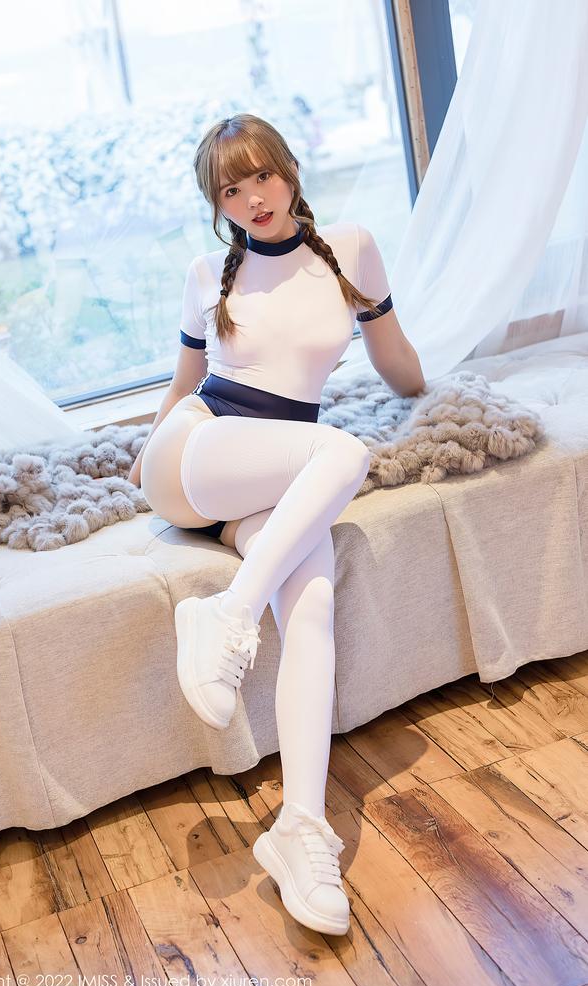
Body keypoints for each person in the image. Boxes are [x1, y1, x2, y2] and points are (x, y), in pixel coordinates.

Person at [128, 114, 425, 937]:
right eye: (230, 189)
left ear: (290, 171)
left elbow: (395, 357)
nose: (252, 198)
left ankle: (300, 828)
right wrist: (142, 456)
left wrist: (430, 391)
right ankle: (225, 619)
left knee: (312, 603)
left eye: (261, 176)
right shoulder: (207, 273)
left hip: (271, 479)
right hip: (194, 455)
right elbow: (184, 382)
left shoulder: (351, 250)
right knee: (342, 450)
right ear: (216, 205)